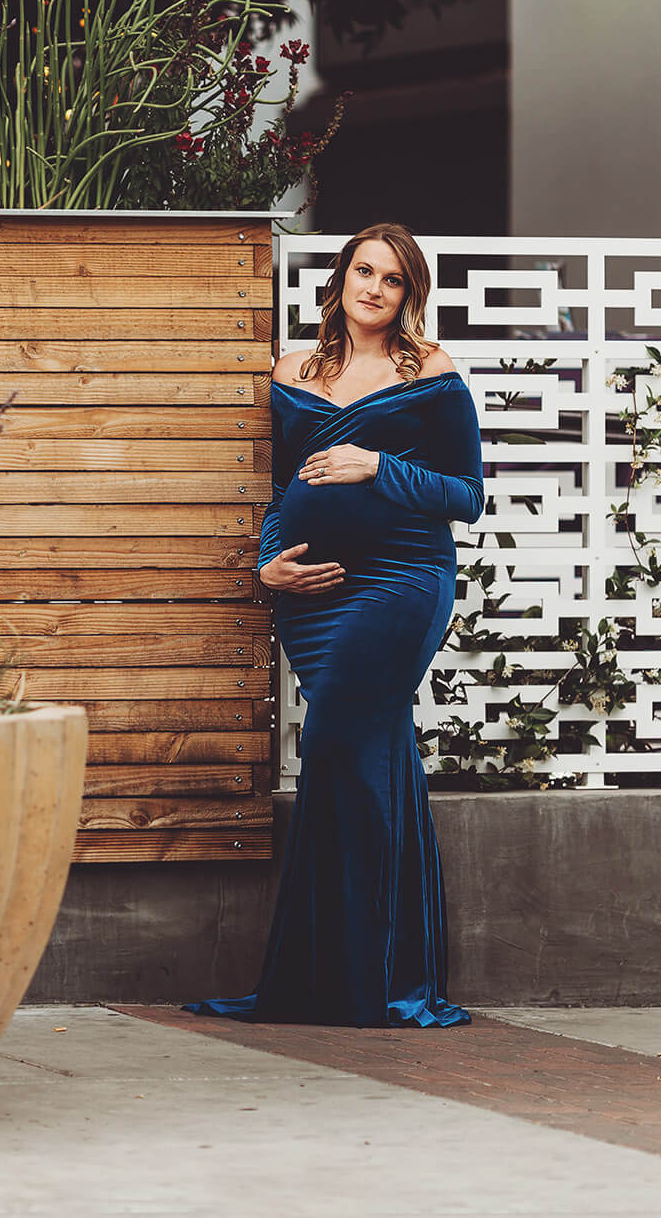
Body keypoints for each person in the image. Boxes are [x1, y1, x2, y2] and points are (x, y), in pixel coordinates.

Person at [187, 222, 483, 1028]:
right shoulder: (294, 371)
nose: (374, 288)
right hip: (313, 596)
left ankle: (363, 972)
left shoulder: (432, 374)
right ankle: (366, 976)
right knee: (372, 758)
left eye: (392, 278)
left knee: (332, 745)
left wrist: (377, 465)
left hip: (402, 582)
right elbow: (283, 494)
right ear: (341, 277)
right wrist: (267, 565)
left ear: (408, 293)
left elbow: (467, 494)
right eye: (364, 270)